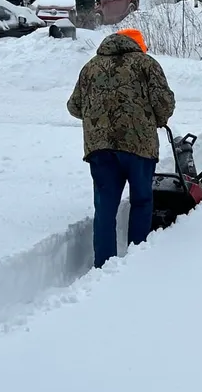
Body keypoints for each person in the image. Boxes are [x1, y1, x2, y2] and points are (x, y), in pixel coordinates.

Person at [66, 28, 176, 268]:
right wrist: (156, 119)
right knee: (142, 201)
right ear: (136, 44)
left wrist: (99, 115)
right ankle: (137, 261)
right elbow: (164, 104)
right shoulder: (147, 64)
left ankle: (103, 265)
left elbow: (74, 107)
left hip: (100, 148)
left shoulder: (90, 67)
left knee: (105, 208)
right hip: (139, 146)